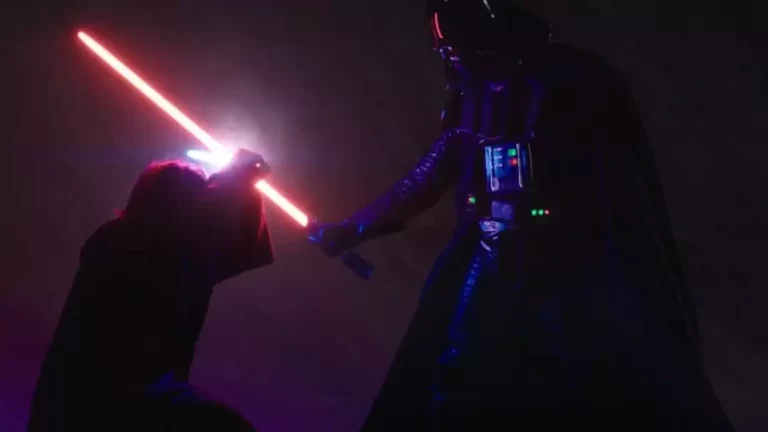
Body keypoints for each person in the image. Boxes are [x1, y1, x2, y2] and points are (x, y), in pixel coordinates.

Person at [310, 1, 734, 430]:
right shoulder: (472, 98)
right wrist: (354, 228)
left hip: (568, 262)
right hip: (492, 254)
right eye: (441, 38)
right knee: (455, 369)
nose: (447, 49)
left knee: (592, 378)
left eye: (452, 33)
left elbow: (611, 177)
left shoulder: (570, 81)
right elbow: (429, 175)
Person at [28, 149, 272, 432]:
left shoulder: (182, 256)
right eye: (197, 191)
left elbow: (242, 248)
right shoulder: (123, 239)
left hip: (121, 402)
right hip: (93, 401)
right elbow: (201, 231)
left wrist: (243, 183)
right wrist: (236, 175)